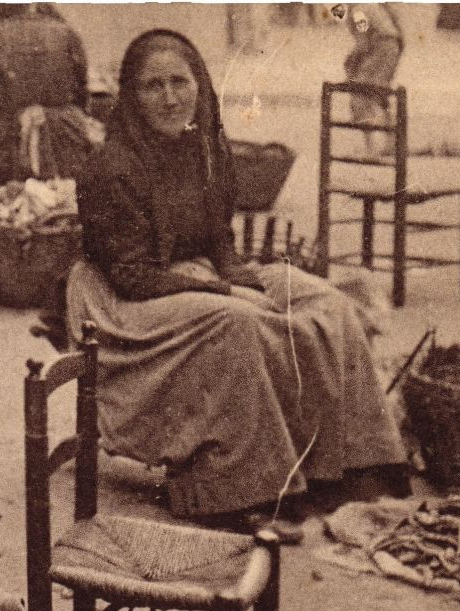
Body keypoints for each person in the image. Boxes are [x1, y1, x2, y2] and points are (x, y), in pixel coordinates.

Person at [67, 30, 409, 541]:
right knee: (239, 322)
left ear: (200, 86)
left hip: (195, 273)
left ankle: (348, 467)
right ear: (131, 97)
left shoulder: (206, 148)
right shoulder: (110, 166)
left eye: (179, 82)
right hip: (119, 302)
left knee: (323, 300)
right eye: (151, 86)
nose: (169, 97)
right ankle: (236, 489)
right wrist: (228, 293)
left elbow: (221, 241)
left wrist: (240, 278)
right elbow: (131, 276)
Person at [0, 3, 97, 184]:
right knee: (66, 201)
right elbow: (82, 92)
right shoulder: (66, 31)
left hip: (6, 138)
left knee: (4, 204)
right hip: (64, 135)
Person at [342, 3, 404, 156]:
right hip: (391, 46)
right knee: (379, 94)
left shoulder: (358, 12)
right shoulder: (369, 6)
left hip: (382, 48)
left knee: (359, 94)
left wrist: (350, 62)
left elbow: (363, 45)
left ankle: (370, 148)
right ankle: (390, 143)